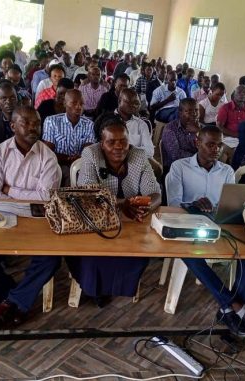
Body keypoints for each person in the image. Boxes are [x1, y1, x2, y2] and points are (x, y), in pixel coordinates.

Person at [166, 125, 245, 343]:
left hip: (220, 223)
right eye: (210, 144)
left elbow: (231, 204)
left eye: (219, 145)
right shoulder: (179, 167)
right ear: (198, 143)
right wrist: (192, 203)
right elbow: (173, 204)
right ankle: (237, 307)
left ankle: (228, 309)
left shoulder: (226, 170)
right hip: (189, 221)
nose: (216, 149)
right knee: (190, 253)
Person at [0, 106, 62, 329]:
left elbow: (45, 199)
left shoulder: (48, 157)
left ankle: (10, 303)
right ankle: (14, 299)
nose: (32, 127)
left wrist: (9, 191)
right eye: (26, 123)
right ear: (13, 126)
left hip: (37, 222)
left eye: (36, 123)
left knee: (51, 260)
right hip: (1, 218)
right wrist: (23, 198)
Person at [69, 117, 161, 306]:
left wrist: (143, 207)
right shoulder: (91, 154)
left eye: (123, 141)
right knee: (92, 255)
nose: (119, 147)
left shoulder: (139, 156)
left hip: (131, 221)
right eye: (111, 142)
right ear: (101, 144)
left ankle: (117, 287)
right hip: (97, 220)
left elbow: (155, 193)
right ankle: (96, 290)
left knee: (136, 252)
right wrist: (121, 204)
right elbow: (88, 194)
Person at [42, 89, 95, 182]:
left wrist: (78, 159)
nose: (78, 107)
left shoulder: (89, 124)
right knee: (66, 173)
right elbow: (48, 152)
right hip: (57, 163)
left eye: (81, 104)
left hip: (80, 163)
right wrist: (68, 159)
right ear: (65, 104)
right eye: (74, 103)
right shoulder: (52, 121)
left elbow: (88, 151)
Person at [96, 88, 154, 159]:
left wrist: (127, 153)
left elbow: (150, 151)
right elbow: (101, 147)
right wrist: (136, 150)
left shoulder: (141, 124)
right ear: (119, 101)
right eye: (128, 101)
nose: (133, 105)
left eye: (136, 102)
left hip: (135, 161)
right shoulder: (106, 120)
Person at [160, 98, 200, 172]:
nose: (194, 114)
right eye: (189, 111)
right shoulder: (170, 129)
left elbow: (208, 147)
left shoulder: (201, 128)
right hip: (176, 168)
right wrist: (200, 158)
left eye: (196, 110)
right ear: (180, 113)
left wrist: (198, 132)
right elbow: (175, 155)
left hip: (198, 166)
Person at [216, 85, 245, 163]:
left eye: (244, 92)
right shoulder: (225, 108)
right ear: (234, 94)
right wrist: (236, 134)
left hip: (244, 139)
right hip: (228, 138)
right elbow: (219, 127)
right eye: (239, 92)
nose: (242, 94)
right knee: (227, 152)